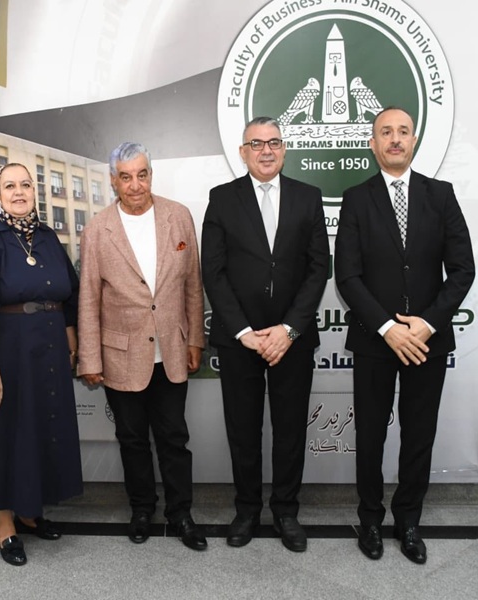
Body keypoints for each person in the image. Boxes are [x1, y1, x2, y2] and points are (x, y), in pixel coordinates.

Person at [334, 107, 474, 565]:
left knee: (419, 436)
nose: (395, 139)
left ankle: (408, 521)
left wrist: (426, 323)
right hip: (375, 339)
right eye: (385, 133)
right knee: (371, 435)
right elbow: (347, 277)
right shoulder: (356, 198)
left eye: (403, 131)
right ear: (372, 144)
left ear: (414, 140)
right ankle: (371, 519)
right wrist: (389, 327)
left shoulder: (442, 195)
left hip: (427, 341)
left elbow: (462, 270)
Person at [201, 116, 329, 552]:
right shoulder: (221, 199)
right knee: (243, 429)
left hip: (291, 338)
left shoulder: (308, 198)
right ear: (243, 152)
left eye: (274, 142)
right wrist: (244, 332)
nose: (266, 150)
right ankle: (247, 510)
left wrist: (289, 329)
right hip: (241, 341)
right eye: (256, 144)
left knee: (291, 430)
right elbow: (213, 273)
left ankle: (287, 512)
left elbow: (318, 269)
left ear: (285, 148)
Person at [77, 142, 207, 551]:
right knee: (132, 440)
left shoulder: (178, 216)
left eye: (142, 174)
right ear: (113, 180)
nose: (136, 185)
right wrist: (90, 358)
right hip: (120, 356)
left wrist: (195, 339)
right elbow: (88, 300)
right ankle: (141, 509)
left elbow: (192, 285)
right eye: (126, 176)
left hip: (171, 350)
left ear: (152, 174)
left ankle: (181, 513)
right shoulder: (98, 228)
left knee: (174, 437)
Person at [0, 162, 83, 567]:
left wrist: (72, 341)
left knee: (41, 429)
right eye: (10, 185)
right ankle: (5, 523)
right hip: (4, 352)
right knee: (5, 432)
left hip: (47, 351)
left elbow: (67, 296)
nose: (20, 192)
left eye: (26, 184)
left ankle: (31, 511)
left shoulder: (47, 238)